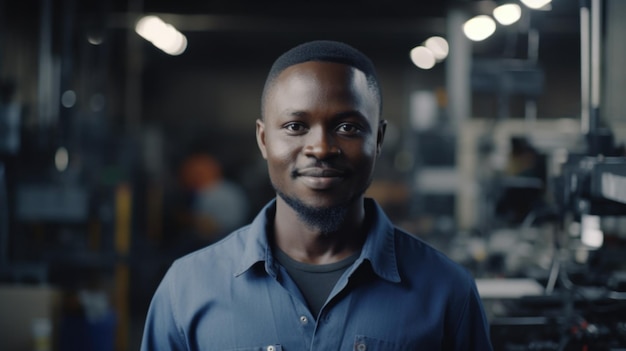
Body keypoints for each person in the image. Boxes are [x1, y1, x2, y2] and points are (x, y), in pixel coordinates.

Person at [141, 40, 493, 350]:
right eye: (296, 127)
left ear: (379, 140)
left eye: (347, 127)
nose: (321, 148)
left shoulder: (447, 292)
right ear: (264, 140)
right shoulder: (186, 290)